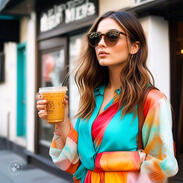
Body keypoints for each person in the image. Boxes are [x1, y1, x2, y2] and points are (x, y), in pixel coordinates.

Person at [36, 10, 178, 183]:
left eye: (112, 36)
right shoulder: (92, 95)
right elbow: (70, 161)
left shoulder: (152, 101)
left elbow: (163, 167)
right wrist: (61, 122)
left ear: (135, 46)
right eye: (96, 38)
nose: (101, 43)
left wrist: (107, 163)